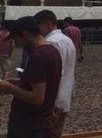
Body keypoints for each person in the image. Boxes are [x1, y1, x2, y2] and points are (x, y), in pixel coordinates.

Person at [0, 16, 62, 138]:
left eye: (16, 38)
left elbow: (37, 98)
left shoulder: (38, 56)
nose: (16, 44)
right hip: (40, 121)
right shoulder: (53, 51)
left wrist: (9, 88)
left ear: (25, 34)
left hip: (28, 124)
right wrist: (19, 81)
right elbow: (44, 82)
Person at [34, 10, 77, 138]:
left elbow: (55, 74)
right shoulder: (66, 40)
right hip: (63, 97)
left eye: (38, 26)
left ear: (47, 24)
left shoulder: (52, 42)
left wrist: (52, 103)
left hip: (53, 102)